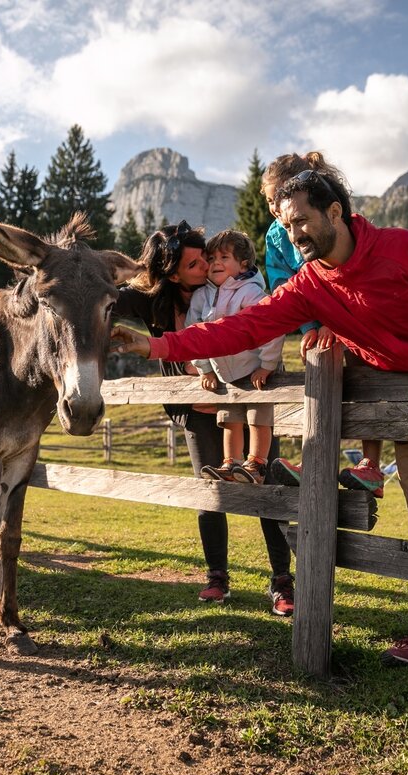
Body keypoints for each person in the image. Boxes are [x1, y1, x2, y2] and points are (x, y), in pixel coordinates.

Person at [112, 169, 408, 665]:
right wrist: (157, 345)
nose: (293, 233)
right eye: (285, 224)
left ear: (334, 212)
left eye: (301, 220)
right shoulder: (308, 287)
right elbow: (239, 329)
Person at [114, 221, 295, 613]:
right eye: (196, 262)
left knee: (268, 485)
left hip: (248, 398)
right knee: (209, 491)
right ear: (172, 271)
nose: (206, 265)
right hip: (197, 410)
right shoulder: (157, 300)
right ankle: (217, 577)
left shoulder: (233, 290)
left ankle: (282, 579)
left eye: (210, 258)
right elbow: (112, 299)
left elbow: (263, 323)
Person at [261, 152, 385, 498]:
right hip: (318, 322)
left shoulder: (334, 218)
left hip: (355, 319)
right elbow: (283, 282)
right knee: (319, 380)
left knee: (365, 382)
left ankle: (371, 465)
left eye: (277, 198)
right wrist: (310, 327)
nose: (275, 208)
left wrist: (337, 323)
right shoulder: (276, 235)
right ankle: (315, 458)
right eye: (270, 201)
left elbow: (348, 274)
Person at [187, 230, 284, 484]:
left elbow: (271, 328)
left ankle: (257, 465)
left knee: (257, 418)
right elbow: (193, 334)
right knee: (230, 420)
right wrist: (204, 368)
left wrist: (267, 365)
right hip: (225, 375)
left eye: (224, 257)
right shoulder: (202, 297)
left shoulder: (250, 293)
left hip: (254, 372)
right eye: (212, 257)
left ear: (243, 265)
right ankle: (231, 463)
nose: (216, 262)